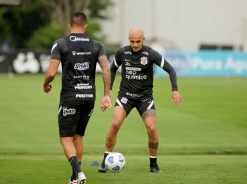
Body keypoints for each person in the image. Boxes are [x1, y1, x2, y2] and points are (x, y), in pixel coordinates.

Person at [98, 28, 183, 173]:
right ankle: (105, 161)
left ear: (143, 39)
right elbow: (112, 70)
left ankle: (153, 164)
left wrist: (175, 89)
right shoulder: (122, 53)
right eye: (132, 41)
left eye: (138, 41)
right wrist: (109, 90)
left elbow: (171, 69)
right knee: (115, 123)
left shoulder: (150, 54)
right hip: (125, 96)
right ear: (128, 40)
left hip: (145, 98)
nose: (135, 44)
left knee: (152, 128)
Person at [43, 12, 111, 184]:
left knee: (65, 138)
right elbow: (106, 70)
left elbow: (51, 72)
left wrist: (45, 84)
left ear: (69, 25)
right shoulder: (97, 45)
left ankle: (79, 173)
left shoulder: (61, 44)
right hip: (89, 97)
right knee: (78, 137)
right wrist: (106, 95)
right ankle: (74, 178)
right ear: (86, 26)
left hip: (70, 97)